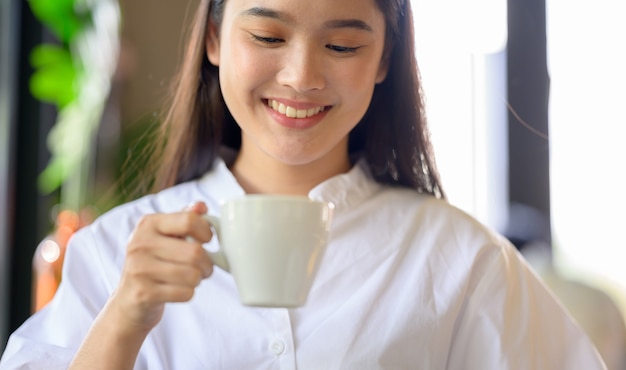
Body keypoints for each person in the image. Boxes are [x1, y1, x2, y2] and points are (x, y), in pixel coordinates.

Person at [0, 0, 607, 368]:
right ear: (214, 39)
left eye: (342, 44)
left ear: (385, 60)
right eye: (267, 36)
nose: (301, 75)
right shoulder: (115, 253)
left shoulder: (462, 260)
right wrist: (123, 320)